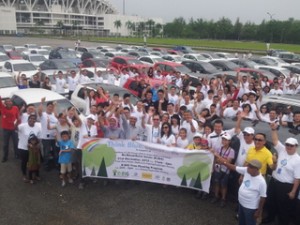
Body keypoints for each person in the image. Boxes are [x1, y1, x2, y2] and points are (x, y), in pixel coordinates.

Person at [262, 123, 300, 225]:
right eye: (287, 144)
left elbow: (297, 178)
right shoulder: (283, 150)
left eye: (291, 145)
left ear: (296, 146)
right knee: (271, 201)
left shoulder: (297, 160)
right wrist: (273, 129)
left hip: (286, 186)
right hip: (274, 182)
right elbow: (275, 141)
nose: (288, 147)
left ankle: (283, 222)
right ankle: (270, 218)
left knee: (283, 206)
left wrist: (293, 191)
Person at [216, 158, 267, 225]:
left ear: (256, 169)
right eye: (248, 166)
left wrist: (258, 211)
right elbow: (234, 167)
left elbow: (263, 198)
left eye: (250, 168)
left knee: (250, 223)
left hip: (250, 208)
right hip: (241, 203)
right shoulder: (247, 170)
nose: (248, 168)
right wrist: (224, 163)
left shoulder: (261, 182)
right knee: (241, 221)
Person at [211, 133, 235, 207]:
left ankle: (223, 199)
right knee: (216, 183)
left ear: (229, 141)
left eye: (226, 140)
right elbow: (216, 160)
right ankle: (216, 196)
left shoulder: (231, 151)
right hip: (217, 169)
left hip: (225, 171)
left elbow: (228, 162)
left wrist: (218, 156)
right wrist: (213, 167)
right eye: (223, 139)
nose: (224, 141)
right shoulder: (219, 148)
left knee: (223, 185)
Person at [17, 114, 41, 182]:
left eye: (34, 119)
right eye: (30, 118)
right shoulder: (22, 126)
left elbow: (39, 137)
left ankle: (35, 175)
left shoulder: (38, 127)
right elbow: (15, 128)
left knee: (34, 162)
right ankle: (24, 175)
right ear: (28, 119)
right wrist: (17, 121)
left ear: (35, 120)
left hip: (34, 149)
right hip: (23, 148)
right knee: (24, 162)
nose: (32, 120)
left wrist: (37, 145)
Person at [38, 97, 58, 171]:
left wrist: (55, 106)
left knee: (55, 152)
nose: (50, 108)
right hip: (46, 138)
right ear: (46, 107)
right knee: (46, 153)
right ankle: (46, 166)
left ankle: (56, 165)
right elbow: (39, 111)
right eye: (49, 106)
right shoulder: (43, 114)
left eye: (51, 107)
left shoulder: (53, 114)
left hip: (54, 137)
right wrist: (41, 102)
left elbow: (57, 118)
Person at [0, 96, 19, 162]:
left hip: (14, 129)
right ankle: (5, 156)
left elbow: (17, 117)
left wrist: (17, 124)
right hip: (6, 129)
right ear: (5, 103)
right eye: (7, 101)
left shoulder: (15, 108)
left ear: (12, 102)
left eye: (10, 101)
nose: (9, 102)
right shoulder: (2, 108)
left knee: (16, 143)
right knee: (5, 144)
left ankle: (17, 154)